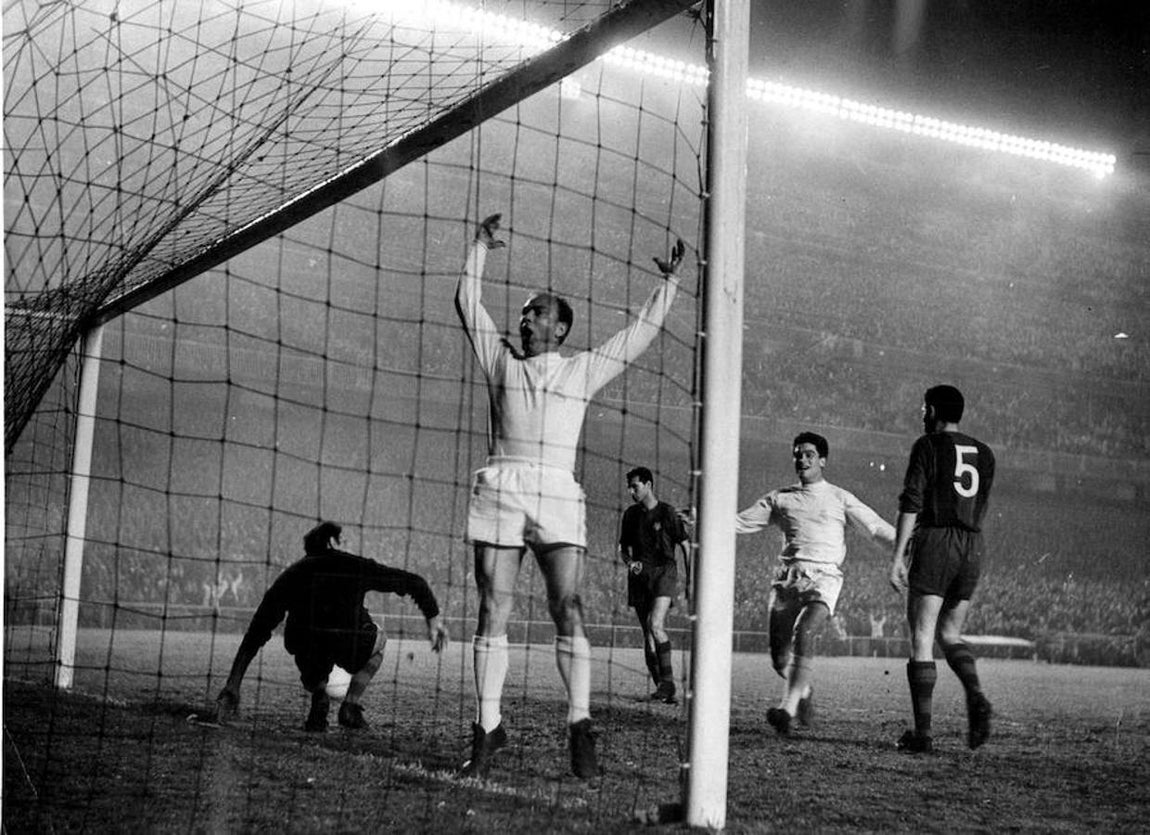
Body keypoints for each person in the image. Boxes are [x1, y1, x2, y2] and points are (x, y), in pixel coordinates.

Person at [455, 212, 685, 780]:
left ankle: (580, 725)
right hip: (502, 486)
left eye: (537, 311)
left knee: (568, 607)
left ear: (560, 329)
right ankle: (487, 727)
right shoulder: (501, 361)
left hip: (556, 491)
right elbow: (467, 302)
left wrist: (669, 285)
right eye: (525, 310)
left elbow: (638, 335)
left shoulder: (580, 369)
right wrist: (479, 247)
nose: (525, 316)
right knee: (493, 608)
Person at [215, 521, 448, 732]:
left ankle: (319, 692)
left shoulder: (293, 574)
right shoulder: (353, 565)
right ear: (333, 542)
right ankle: (350, 705)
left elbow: (258, 629)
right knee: (380, 639)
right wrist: (433, 619)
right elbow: (414, 582)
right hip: (348, 642)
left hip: (307, 648)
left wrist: (233, 684)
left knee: (302, 636)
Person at [735, 432, 895, 736]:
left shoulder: (839, 497)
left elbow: (875, 528)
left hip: (824, 577)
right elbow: (742, 521)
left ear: (822, 460)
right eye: (798, 454)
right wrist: (699, 519)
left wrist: (907, 548)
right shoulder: (780, 497)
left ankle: (787, 710)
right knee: (779, 658)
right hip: (788, 578)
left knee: (804, 629)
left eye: (809, 454)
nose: (802, 459)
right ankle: (803, 691)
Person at [889, 384, 995, 754]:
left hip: (937, 540)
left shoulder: (927, 446)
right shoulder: (985, 453)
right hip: (973, 543)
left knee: (921, 636)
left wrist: (899, 554)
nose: (922, 415)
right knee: (950, 633)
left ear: (933, 410)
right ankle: (976, 693)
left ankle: (923, 735)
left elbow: (912, 502)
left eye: (924, 408)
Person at [618, 466, 691, 705]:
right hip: (640, 578)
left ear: (648, 485)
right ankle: (664, 686)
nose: (631, 491)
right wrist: (630, 563)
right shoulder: (630, 515)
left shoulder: (667, 512)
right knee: (647, 635)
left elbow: (686, 546)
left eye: (635, 486)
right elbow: (623, 549)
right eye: (629, 487)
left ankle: (668, 683)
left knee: (655, 624)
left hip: (664, 573)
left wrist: (690, 580)